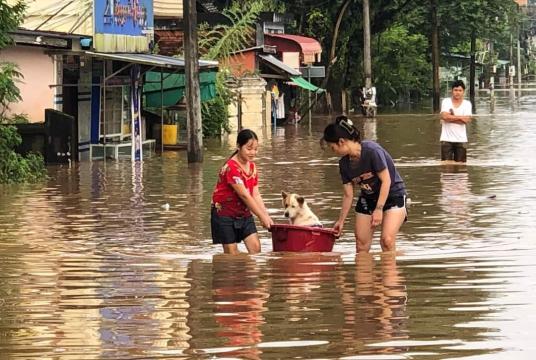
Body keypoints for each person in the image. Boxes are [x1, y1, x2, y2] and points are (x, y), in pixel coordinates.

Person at [322, 116, 407, 252]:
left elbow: (386, 180)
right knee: (361, 243)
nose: (333, 152)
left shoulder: (372, 151)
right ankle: (364, 271)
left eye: (333, 148)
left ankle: (390, 271)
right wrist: (341, 220)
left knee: (387, 240)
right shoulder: (344, 164)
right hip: (368, 198)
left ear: (341, 142)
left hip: (392, 195)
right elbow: (348, 195)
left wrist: (379, 209)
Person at [211, 129, 273, 254]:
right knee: (231, 254)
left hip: (244, 214)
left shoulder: (252, 167)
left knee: (256, 249)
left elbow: (255, 193)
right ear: (238, 146)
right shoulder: (232, 167)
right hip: (225, 215)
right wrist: (260, 216)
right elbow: (244, 195)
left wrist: (265, 215)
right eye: (249, 149)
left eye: (255, 149)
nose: (253, 153)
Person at [440, 80, 473, 163]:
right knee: (446, 167)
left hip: (461, 140)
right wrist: (460, 118)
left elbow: (466, 120)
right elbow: (444, 116)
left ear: (463, 92)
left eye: (460, 90)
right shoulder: (446, 101)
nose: (457, 93)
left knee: (461, 167)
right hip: (446, 139)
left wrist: (450, 118)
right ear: (452, 91)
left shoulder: (467, 104)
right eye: (455, 90)